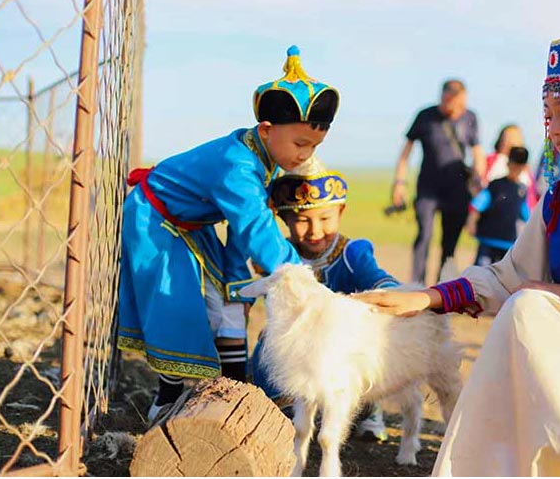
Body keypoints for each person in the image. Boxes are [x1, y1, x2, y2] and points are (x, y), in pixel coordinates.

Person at [356, 0, 560, 476]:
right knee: (525, 308)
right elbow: (511, 277)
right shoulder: (559, 198)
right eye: (547, 115)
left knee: (531, 310)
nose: (551, 130)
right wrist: (428, 298)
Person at [116, 46, 330, 422]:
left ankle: (233, 396)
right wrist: (299, 274)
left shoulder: (261, 157)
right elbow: (253, 226)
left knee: (230, 300)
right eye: (300, 144)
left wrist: (238, 281)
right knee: (177, 308)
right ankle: (164, 402)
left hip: (189, 224)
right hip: (156, 219)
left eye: (314, 146)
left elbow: (245, 225)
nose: (305, 155)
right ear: (267, 130)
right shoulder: (238, 165)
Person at [249, 168, 403, 442]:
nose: (315, 230)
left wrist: (390, 297)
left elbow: (379, 281)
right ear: (284, 219)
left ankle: (368, 412)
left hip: (342, 339)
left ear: (340, 213)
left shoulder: (351, 254)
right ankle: (278, 411)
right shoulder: (279, 257)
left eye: (325, 218)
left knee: (365, 352)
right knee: (266, 342)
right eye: (302, 220)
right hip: (296, 342)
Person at [393, 78, 485, 285]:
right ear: (443, 97)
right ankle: (416, 285)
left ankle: (443, 287)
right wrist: (399, 183)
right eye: (452, 104)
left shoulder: (470, 117)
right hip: (428, 188)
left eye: (461, 104)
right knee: (423, 236)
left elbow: (477, 152)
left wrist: (479, 180)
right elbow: (405, 153)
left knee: (450, 242)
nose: (456, 109)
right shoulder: (425, 116)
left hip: (457, 189)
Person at [468, 146, 532, 266]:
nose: (515, 170)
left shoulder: (522, 190)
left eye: (518, 167)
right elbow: (478, 204)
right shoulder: (495, 185)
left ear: (524, 168)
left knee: (501, 274)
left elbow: (526, 214)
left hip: (507, 242)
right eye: (513, 166)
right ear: (508, 164)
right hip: (488, 238)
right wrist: (471, 221)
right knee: (481, 271)